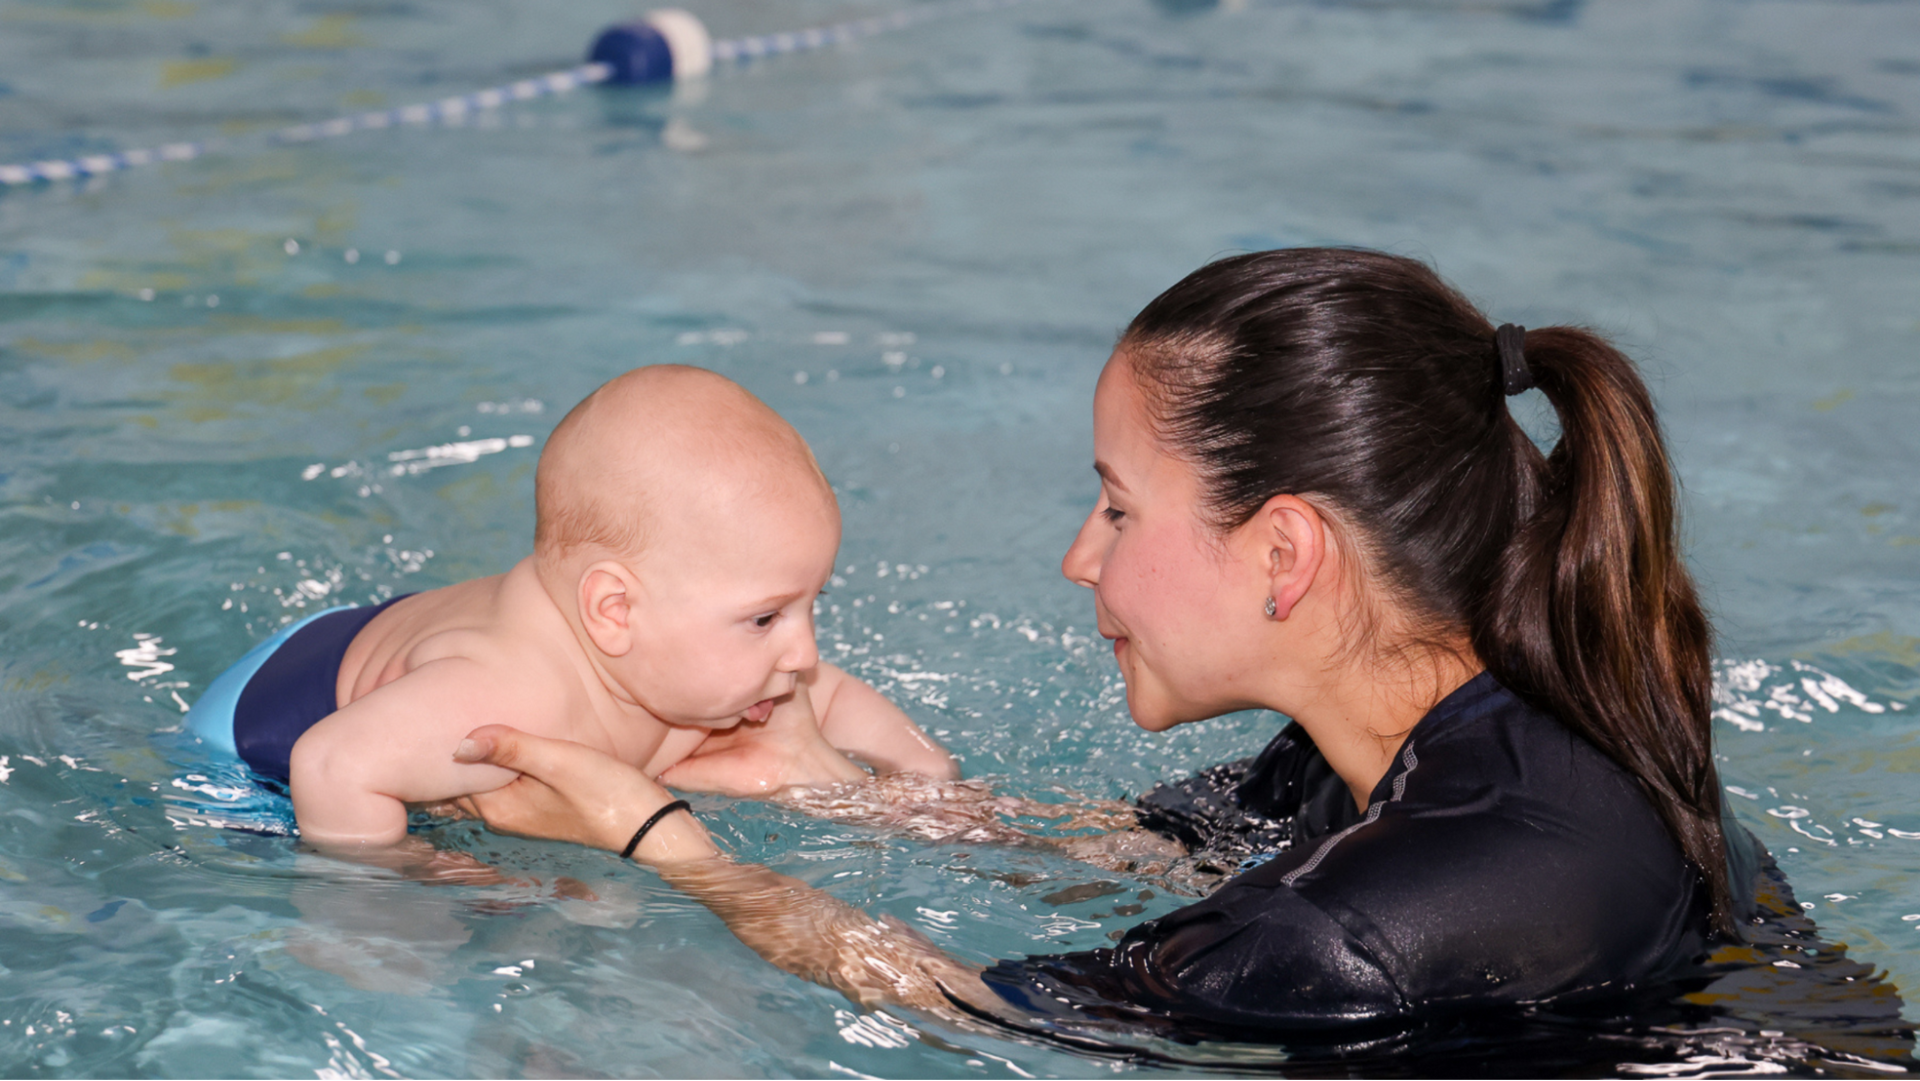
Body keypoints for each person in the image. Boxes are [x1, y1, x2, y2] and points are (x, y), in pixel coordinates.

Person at [446, 249, 1819, 1038]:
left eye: (1117, 505)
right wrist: (837, 787)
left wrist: (658, 844)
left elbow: (976, 1012)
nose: (1078, 555)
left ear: (1286, 554)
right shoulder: (1459, 714)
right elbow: (1142, 859)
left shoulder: (1357, 930)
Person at [186, 365, 956, 864]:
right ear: (614, 610)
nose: (804, 652)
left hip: (404, 638)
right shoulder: (509, 700)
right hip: (267, 724)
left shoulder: (719, 662)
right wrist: (409, 876)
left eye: (809, 605)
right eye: (768, 618)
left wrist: (928, 783)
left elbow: (837, 698)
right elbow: (332, 765)